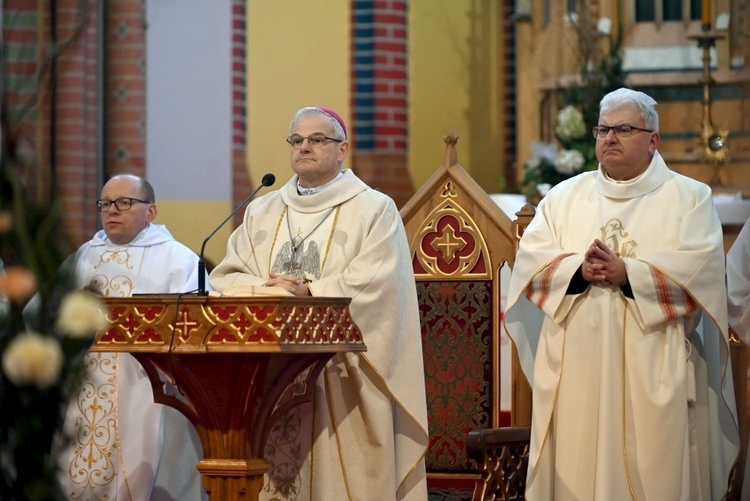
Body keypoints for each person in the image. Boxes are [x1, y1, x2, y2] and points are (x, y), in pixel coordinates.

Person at [504, 88, 740, 500]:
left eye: (623, 129)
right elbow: (531, 264)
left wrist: (627, 273)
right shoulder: (563, 197)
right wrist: (579, 269)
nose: (609, 137)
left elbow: (701, 273)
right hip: (576, 368)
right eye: (603, 129)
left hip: (654, 363)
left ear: (653, 140)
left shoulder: (689, 198)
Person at [209, 106, 429, 500]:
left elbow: (380, 284)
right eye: (296, 140)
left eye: (316, 140)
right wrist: (269, 289)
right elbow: (226, 278)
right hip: (269, 375)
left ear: (342, 149)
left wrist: (310, 291)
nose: (304, 147)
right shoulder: (263, 209)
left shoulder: (373, 208)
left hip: (341, 377)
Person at [27, 174, 207, 500]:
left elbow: (201, 325)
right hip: (85, 386)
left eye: (124, 203)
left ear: (150, 212)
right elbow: (39, 314)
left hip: (148, 385)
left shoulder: (179, 259)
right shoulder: (83, 256)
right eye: (105, 203)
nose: (112, 210)